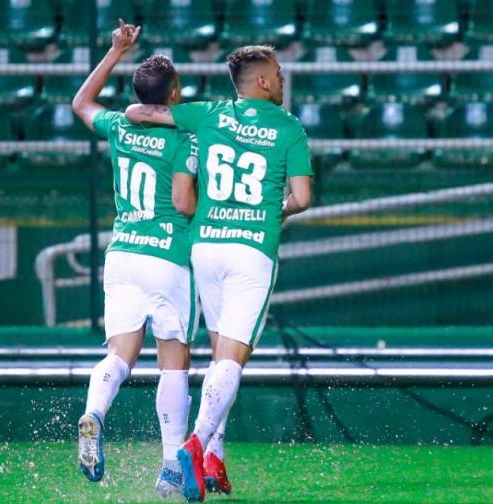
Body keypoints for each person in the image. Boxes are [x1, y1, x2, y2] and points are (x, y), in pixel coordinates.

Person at [126, 44, 314, 502]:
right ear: (264, 81)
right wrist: (277, 211)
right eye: (279, 73)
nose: (283, 80)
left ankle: (215, 458)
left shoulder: (206, 113)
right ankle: (195, 444)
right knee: (231, 360)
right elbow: (303, 198)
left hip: (205, 248)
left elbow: (135, 110)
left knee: (216, 358)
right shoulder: (289, 128)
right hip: (251, 252)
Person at [71, 20, 199, 498]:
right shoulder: (184, 138)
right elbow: (185, 203)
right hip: (167, 255)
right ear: (173, 93)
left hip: (122, 253)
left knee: (120, 356)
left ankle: (94, 413)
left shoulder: (121, 125)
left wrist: (115, 51)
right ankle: (170, 466)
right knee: (174, 361)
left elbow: (81, 104)